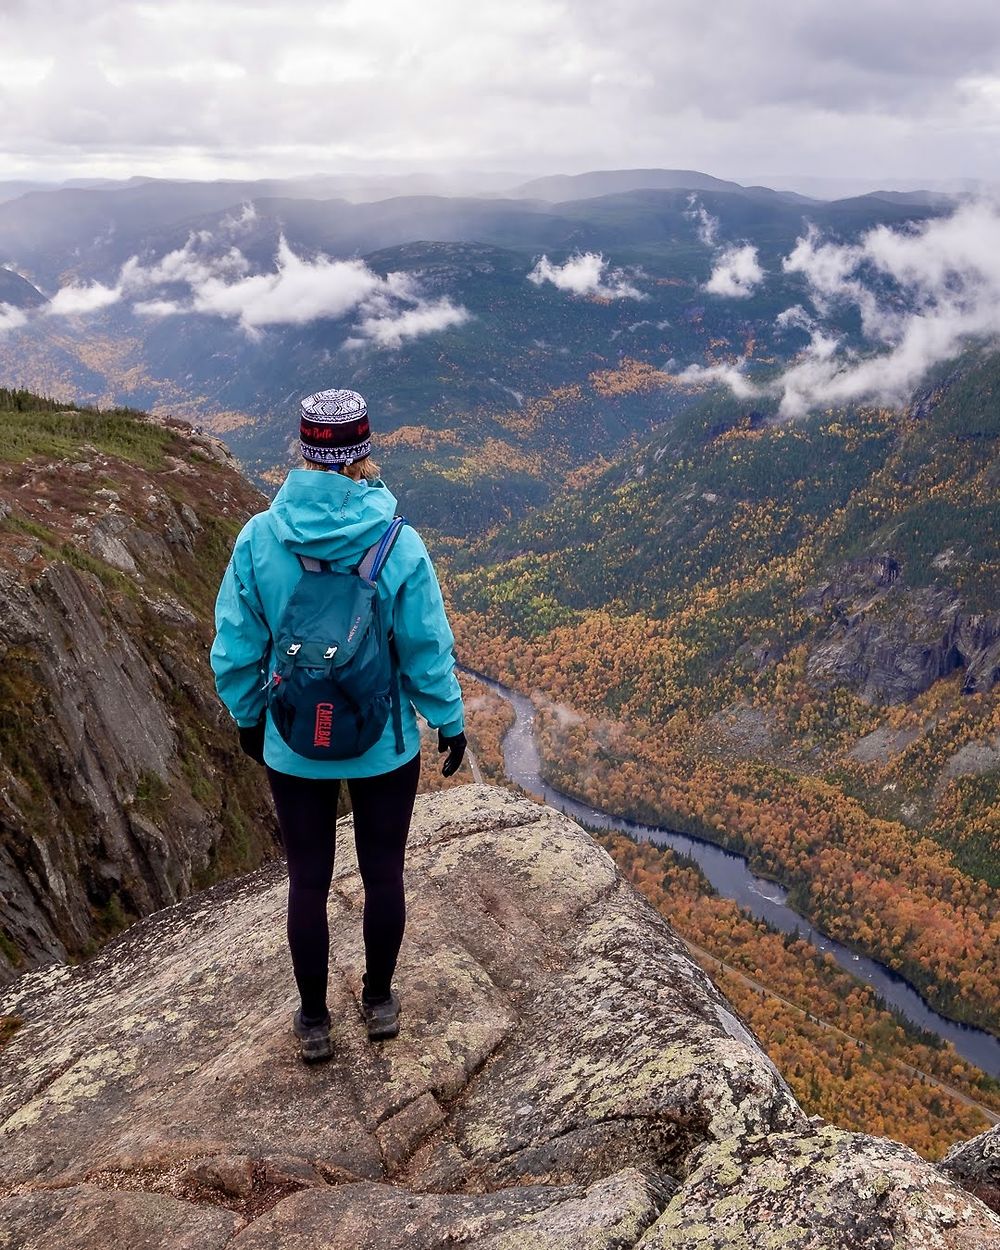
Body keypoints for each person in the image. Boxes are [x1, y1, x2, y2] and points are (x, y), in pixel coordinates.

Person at [210, 388, 466, 1064]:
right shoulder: (397, 543)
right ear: (364, 452)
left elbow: (236, 643)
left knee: (307, 882)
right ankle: (379, 1002)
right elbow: (424, 648)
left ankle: (316, 1020)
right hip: (381, 742)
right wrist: (448, 719)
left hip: (293, 743)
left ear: (302, 450)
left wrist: (248, 717)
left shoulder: (260, 538)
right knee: (383, 874)